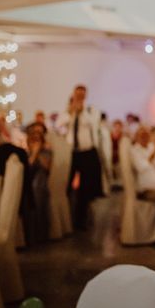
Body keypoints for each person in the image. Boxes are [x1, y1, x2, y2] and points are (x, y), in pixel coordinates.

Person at [56, 84, 103, 230]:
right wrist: (71, 112)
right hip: (72, 152)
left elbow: (92, 123)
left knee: (86, 187)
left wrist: (81, 111)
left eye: (82, 95)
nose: (80, 97)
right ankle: (67, 217)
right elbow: (59, 125)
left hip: (87, 152)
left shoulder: (90, 111)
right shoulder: (67, 111)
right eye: (77, 94)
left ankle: (82, 219)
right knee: (67, 184)